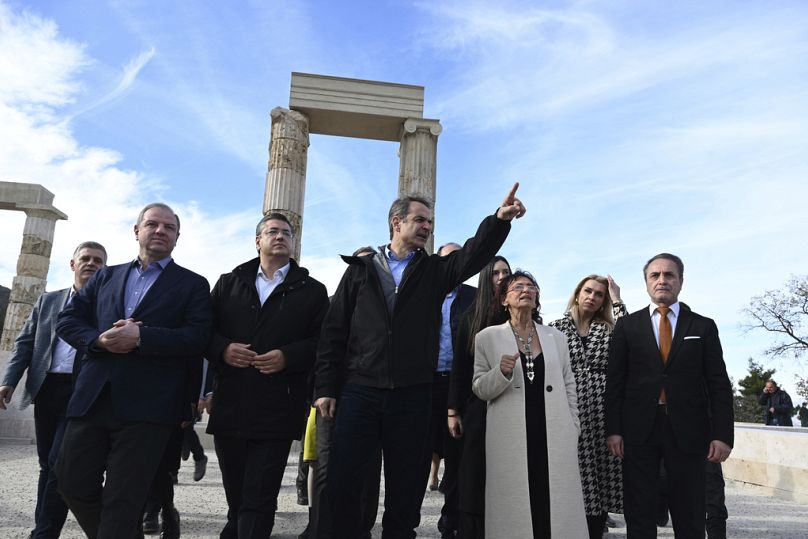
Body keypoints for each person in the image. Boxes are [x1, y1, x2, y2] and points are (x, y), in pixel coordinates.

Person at [315, 184, 525, 538]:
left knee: (407, 488)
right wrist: (325, 388)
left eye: (430, 221)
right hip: (360, 391)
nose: (427, 226)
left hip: (412, 396)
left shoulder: (434, 271)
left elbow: (473, 255)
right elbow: (333, 332)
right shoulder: (360, 271)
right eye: (420, 220)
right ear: (396, 222)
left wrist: (499, 221)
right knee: (345, 482)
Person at [54, 203, 212, 538]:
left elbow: (197, 338)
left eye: (168, 227)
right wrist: (99, 340)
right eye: (152, 224)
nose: (160, 231)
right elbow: (67, 320)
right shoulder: (105, 277)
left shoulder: (193, 284)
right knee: (70, 482)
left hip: (149, 407)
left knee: (123, 500)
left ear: (177, 237)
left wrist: (141, 336)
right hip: (93, 398)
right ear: (136, 230)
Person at [205, 212, 329, 538]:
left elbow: (323, 343)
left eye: (286, 232)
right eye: (272, 231)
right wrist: (223, 349)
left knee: (259, 498)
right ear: (257, 240)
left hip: (278, 405)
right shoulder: (228, 283)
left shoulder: (313, 291)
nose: (280, 236)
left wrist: (288, 356)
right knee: (237, 498)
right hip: (231, 402)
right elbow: (204, 333)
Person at [606, 252, 734, 538]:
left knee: (689, 514)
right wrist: (613, 430)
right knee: (639, 513)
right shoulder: (628, 326)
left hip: (689, 432)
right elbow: (615, 382)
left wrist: (723, 434)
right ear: (647, 283)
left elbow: (718, 384)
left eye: (669, 275)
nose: (662, 280)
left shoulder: (702, 326)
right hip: (639, 433)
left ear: (681, 281)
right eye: (655, 275)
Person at [0, 241, 107, 538]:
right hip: (46, 388)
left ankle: (44, 532)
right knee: (47, 465)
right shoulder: (48, 301)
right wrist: (8, 380)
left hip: (83, 392)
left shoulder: (108, 305)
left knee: (59, 464)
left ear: (104, 269)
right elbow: (25, 342)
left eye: (98, 261)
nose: (91, 264)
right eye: (85, 258)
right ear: (73, 264)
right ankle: (45, 527)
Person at [472, 270, 587, 538]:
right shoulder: (487, 337)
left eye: (531, 287)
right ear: (504, 300)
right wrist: (500, 373)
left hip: (555, 431)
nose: (526, 290)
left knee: (555, 499)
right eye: (517, 287)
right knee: (517, 502)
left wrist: (573, 425)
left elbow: (569, 381)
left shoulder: (556, 336)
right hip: (510, 435)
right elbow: (479, 388)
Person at [304, 246, 382, 539]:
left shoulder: (387, 310)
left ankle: (362, 529)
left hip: (367, 396)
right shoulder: (331, 303)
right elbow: (323, 347)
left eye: (370, 264)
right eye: (359, 264)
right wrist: (322, 390)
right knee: (325, 467)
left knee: (368, 470)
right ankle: (319, 528)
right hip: (331, 398)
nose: (363, 269)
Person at [549, 274, 626, 538]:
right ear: (578, 292)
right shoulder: (555, 327)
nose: (592, 297)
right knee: (571, 477)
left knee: (602, 481)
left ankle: (595, 531)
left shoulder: (609, 328)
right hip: (566, 408)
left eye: (599, 294)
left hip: (603, 411)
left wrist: (618, 300)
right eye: (588, 291)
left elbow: (634, 338)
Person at [447, 255, 511, 538]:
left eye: (505, 273)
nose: (500, 278)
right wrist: (453, 410)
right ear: (486, 278)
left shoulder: (522, 315)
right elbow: (459, 367)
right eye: (495, 273)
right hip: (478, 407)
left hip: (514, 406)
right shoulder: (471, 317)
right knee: (473, 474)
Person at [420, 242, 477, 539]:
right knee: (415, 455)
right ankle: (404, 522)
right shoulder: (421, 292)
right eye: (447, 259)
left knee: (457, 459)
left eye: (458, 258)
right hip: (423, 384)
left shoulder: (474, 296)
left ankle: (450, 522)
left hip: (460, 386)